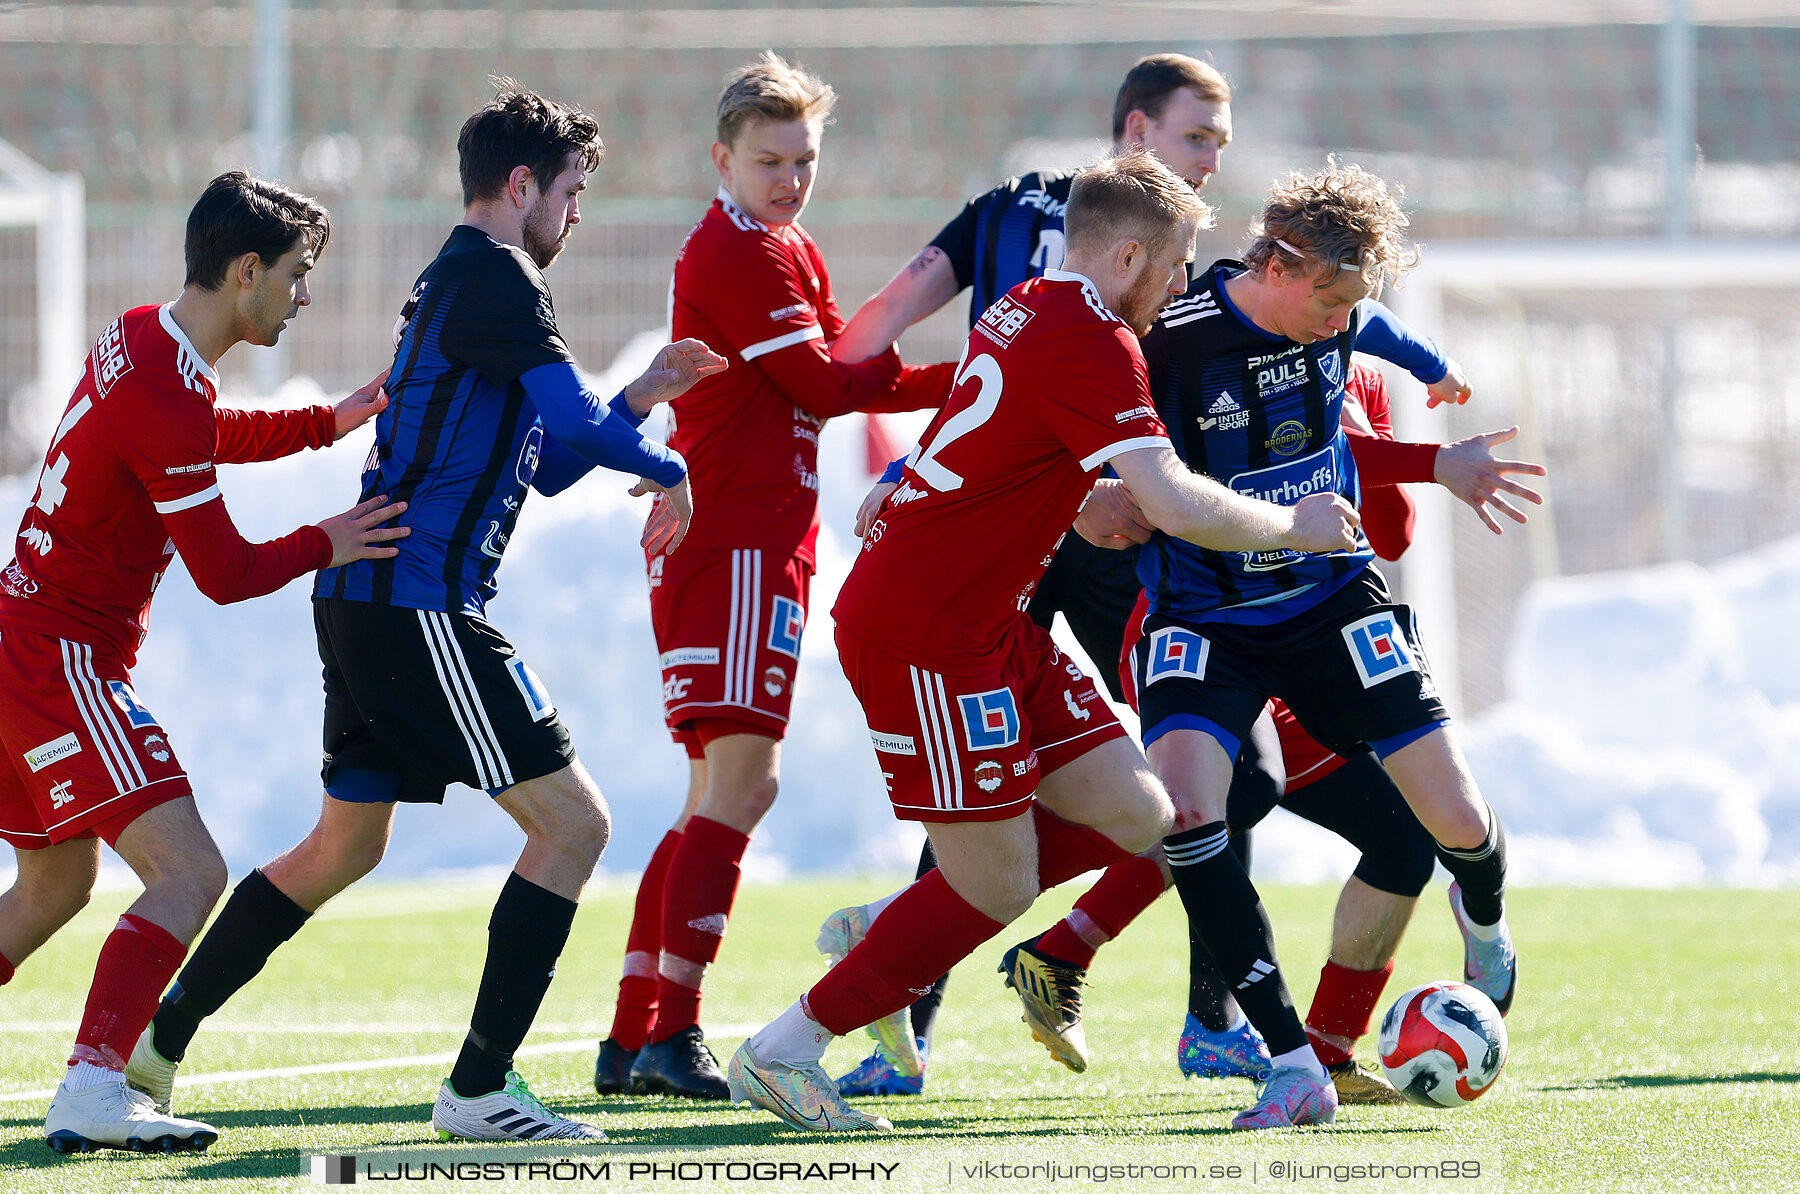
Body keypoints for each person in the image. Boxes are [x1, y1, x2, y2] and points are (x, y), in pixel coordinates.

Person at [124, 84, 726, 1145]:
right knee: (575, 825)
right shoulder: (496, 275)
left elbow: (546, 462)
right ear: (522, 184)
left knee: (340, 848)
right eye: (573, 191)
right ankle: (481, 1089)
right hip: (417, 602)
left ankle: (154, 1045)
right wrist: (670, 460)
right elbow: (568, 425)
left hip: (372, 601)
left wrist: (637, 406)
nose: (577, 215)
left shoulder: (467, 279)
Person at [725, 149, 1361, 1134]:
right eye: (1177, 263)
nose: (1183, 286)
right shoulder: (1095, 337)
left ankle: (898, 934)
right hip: (926, 633)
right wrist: (1294, 527)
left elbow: (1002, 450)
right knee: (1000, 883)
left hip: (987, 622)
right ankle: (784, 1050)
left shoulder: (1029, 301)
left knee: (1157, 815)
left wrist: (1079, 502)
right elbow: (1175, 500)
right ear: (1132, 256)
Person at [823, 48, 1240, 1099]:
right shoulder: (1093, 257)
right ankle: (896, 1001)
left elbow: (930, 363)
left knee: (1178, 796)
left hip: (1053, 531)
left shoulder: (1085, 252)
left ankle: (1151, 995)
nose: (1214, 163)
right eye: (1199, 140)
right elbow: (890, 354)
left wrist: (919, 465)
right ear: (1138, 135)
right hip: (1037, 551)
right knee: (1003, 801)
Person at [0, 170, 408, 1154]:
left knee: (56, 884)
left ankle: (98, 1082)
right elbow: (223, 572)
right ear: (246, 270)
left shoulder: (146, 339)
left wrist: (326, 423)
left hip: (28, 647)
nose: (303, 297)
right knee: (190, 872)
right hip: (61, 664)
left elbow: (193, 436)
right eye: (299, 276)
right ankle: (95, 1086)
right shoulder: (161, 381)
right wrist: (330, 538)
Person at [1117, 160, 1520, 1129]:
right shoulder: (1167, 338)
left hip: (1333, 599)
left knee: (1453, 821)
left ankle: (1488, 919)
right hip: (1203, 612)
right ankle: (1296, 1060)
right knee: (1187, 814)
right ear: (1284, 263)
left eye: (1356, 304)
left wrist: (1424, 364)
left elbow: (1371, 324)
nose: (1342, 323)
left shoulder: (1338, 316)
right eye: (1332, 299)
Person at [591, 53, 953, 1102]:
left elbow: (839, 357)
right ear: (722, 159)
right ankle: (671, 1031)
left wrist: (945, 373)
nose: (790, 178)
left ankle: (638, 1035)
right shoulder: (736, 252)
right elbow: (825, 382)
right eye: (769, 160)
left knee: (718, 787)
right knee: (744, 782)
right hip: (737, 540)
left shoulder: (785, 242)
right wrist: (979, 376)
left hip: (758, 537)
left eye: (803, 160)